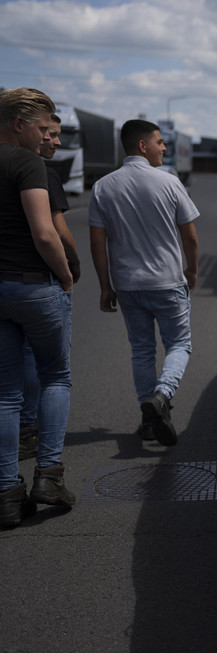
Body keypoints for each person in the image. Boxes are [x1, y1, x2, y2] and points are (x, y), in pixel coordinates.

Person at [88, 119, 199, 446]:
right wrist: (192, 270)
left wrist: (105, 286)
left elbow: (97, 243)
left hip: (127, 285)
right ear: (142, 145)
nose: (164, 147)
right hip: (167, 281)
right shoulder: (169, 182)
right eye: (159, 142)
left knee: (141, 350)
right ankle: (162, 396)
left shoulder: (103, 187)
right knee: (179, 344)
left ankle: (149, 420)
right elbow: (190, 236)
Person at [0, 87, 76, 529]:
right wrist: (64, 276)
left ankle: (7, 493)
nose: (48, 137)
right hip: (32, 284)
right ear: (18, 124)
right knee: (55, 377)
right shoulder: (27, 162)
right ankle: (48, 476)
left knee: (5, 393)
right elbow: (45, 233)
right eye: (43, 127)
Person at [20, 113, 81, 461]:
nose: (56, 142)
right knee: (51, 370)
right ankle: (46, 463)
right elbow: (55, 232)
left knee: (10, 375)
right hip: (38, 281)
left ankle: (11, 466)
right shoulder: (41, 172)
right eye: (50, 134)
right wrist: (71, 266)